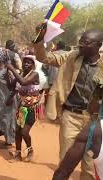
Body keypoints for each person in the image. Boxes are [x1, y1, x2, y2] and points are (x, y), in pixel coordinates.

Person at [34, 25, 103, 179]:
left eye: (86, 42)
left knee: (89, 166)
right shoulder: (72, 56)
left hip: (94, 121)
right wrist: (40, 37)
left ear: (98, 45)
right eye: (81, 40)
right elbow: (44, 57)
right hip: (71, 117)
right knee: (66, 161)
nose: (81, 44)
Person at [53, 92, 103, 180]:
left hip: (93, 118)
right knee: (65, 157)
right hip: (72, 115)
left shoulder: (96, 131)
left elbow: (62, 172)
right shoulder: (96, 131)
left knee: (88, 168)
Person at [7, 55, 40, 163]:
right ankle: (17, 154)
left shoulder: (35, 74)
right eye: (25, 62)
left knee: (24, 132)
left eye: (29, 62)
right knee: (17, 131)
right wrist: (8, 74)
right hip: (22, 107)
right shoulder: (21, 74)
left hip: (32, 108)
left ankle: (30, 150)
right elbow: (12, 87)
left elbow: (23, 82)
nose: (26, 64)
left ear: (33, 65)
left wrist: (12, 68)